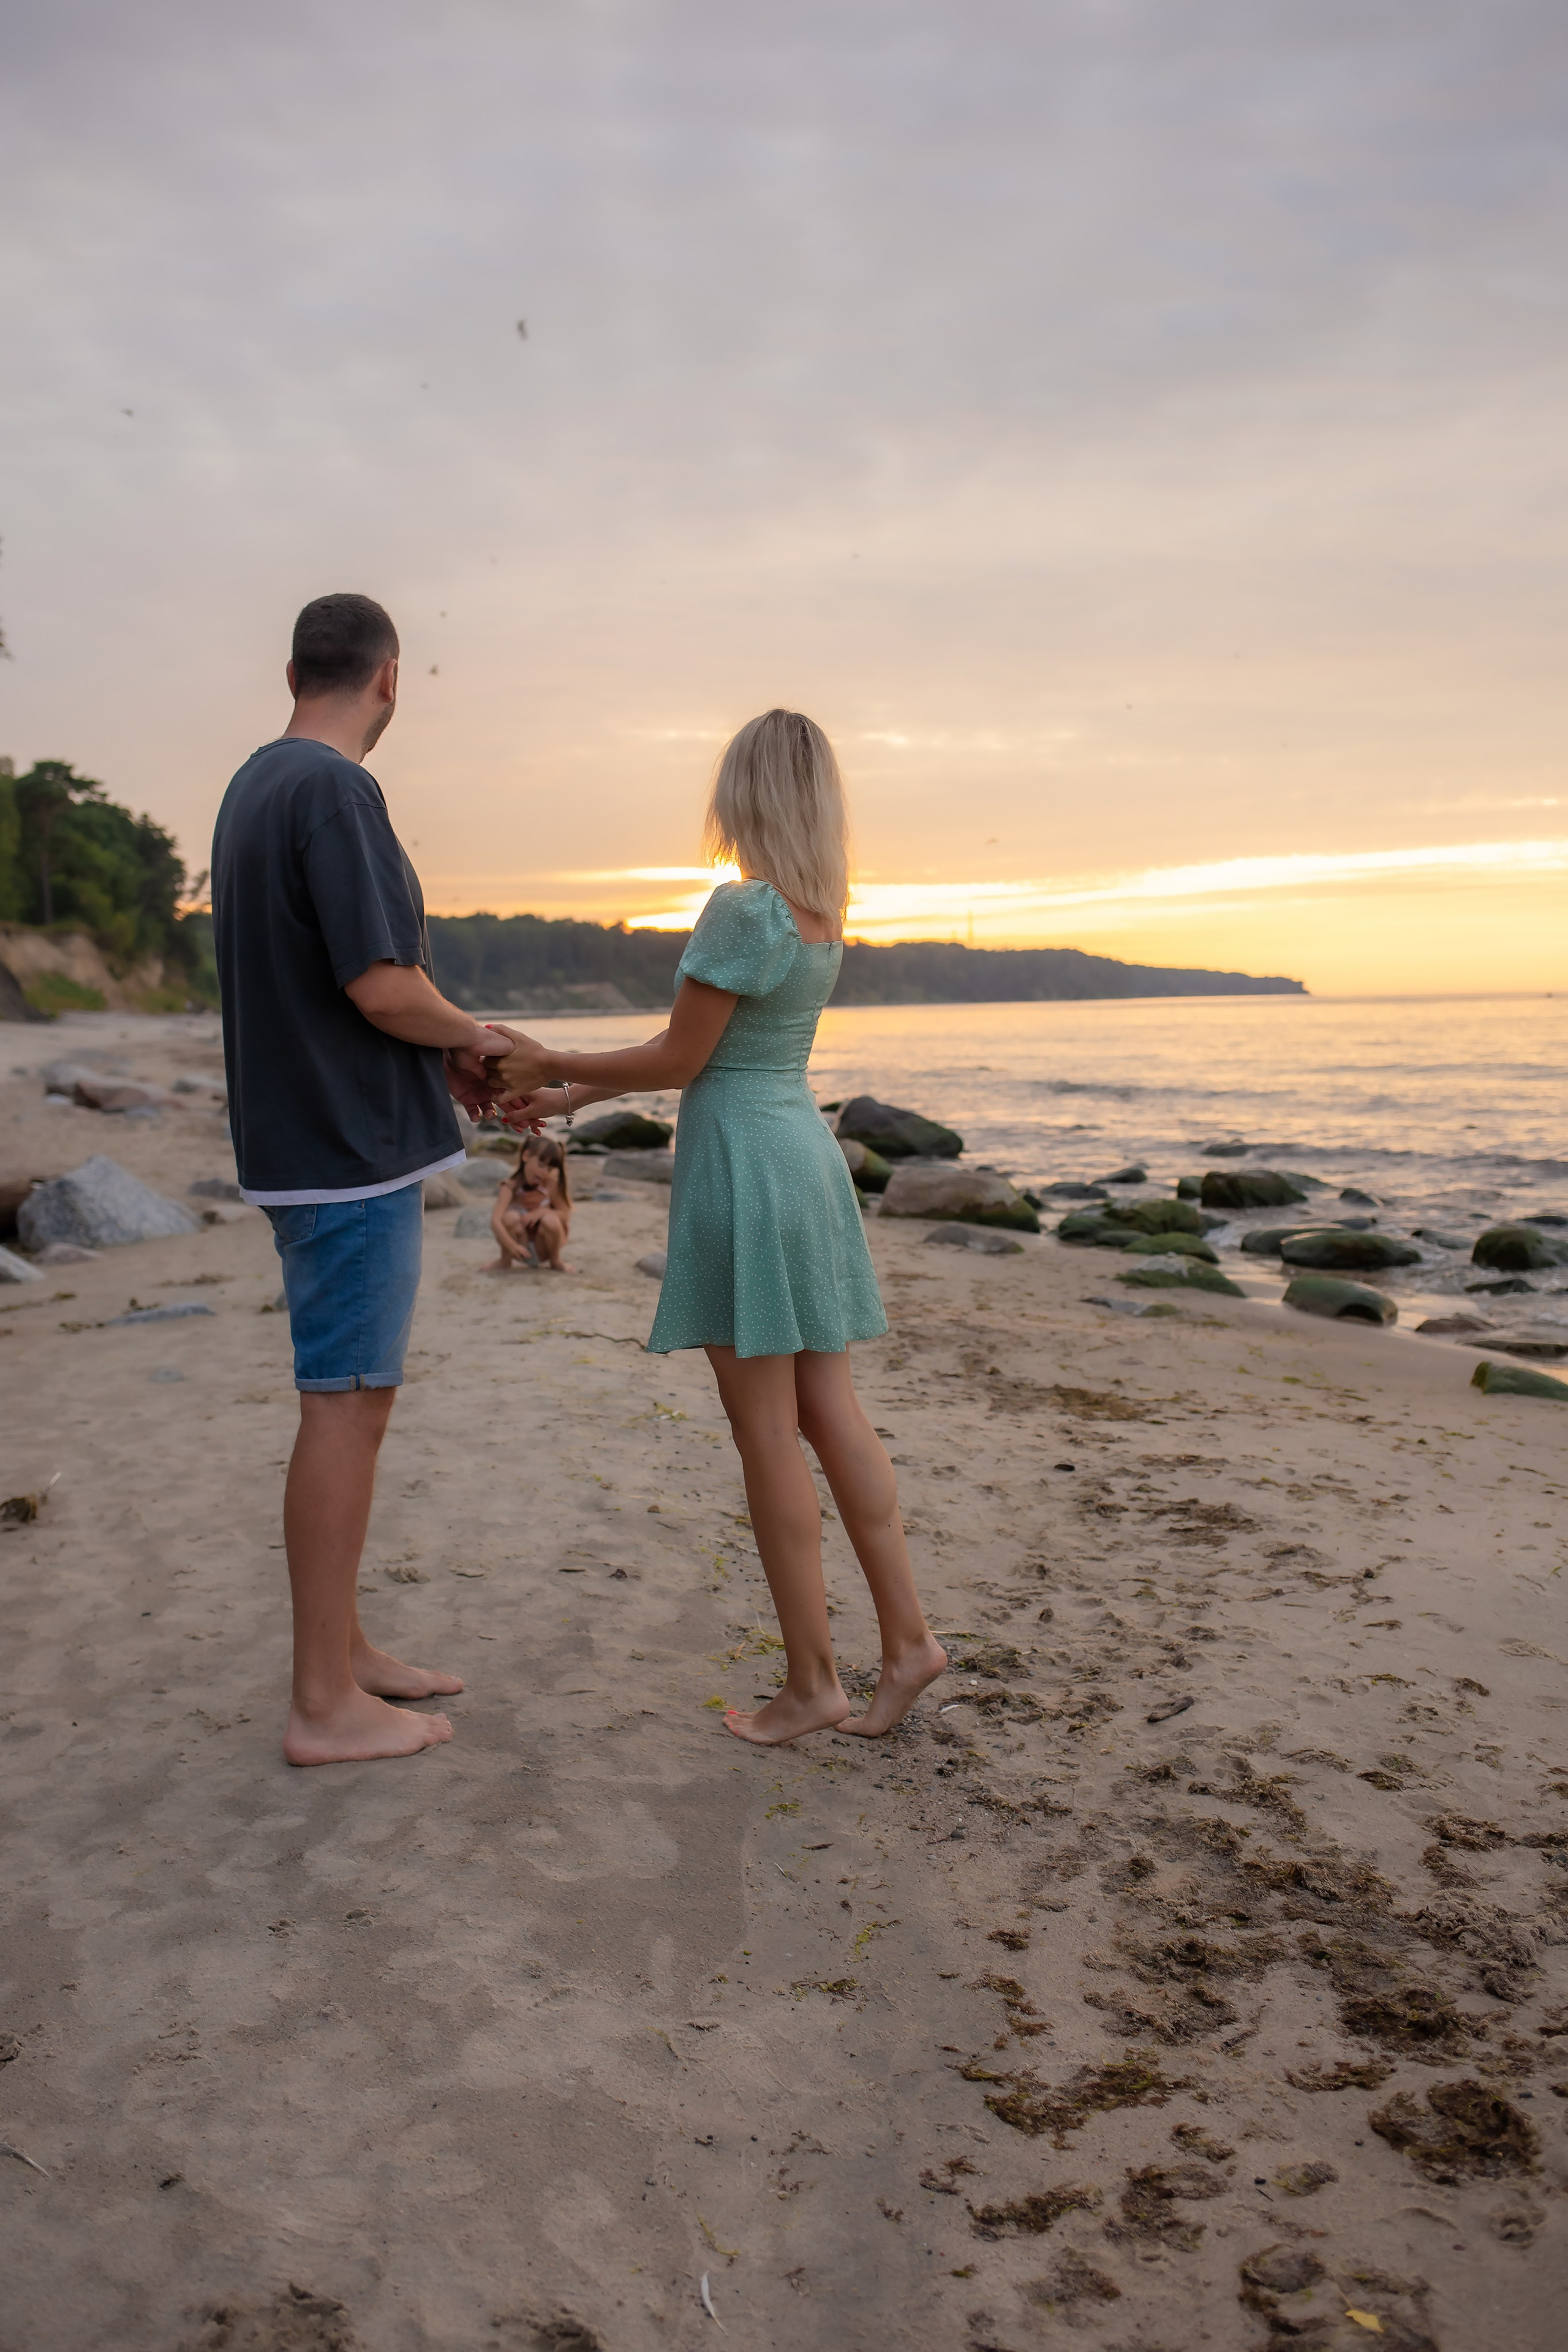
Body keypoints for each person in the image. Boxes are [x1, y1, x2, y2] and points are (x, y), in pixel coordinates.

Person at [489, 709, 946, 1744]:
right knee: (830, 1409)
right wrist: (566, 1097)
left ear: (742, 792)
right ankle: (908, 1643)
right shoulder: (820, 914)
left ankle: (815, 1682)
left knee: (767, 1434)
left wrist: (554, 1069)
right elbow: (700, 1053)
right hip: (802, 1153)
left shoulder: (745, 910)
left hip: (744, 1162)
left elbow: (677, 1060)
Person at [211, 592, 513, 1766]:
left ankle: (344, 1654)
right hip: (339, 1151)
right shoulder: (334, 790)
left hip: (306, 1142)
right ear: (391, 678)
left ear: (296, 669)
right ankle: (322, 1704)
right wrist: (475, 1038)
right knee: (342, 1403)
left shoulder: (256, 783)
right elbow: (379, 983)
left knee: (357, 1400)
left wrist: (442, 1052)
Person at [487, 1134, 575, 1273]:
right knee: (511, 1217)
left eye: (550, 1169)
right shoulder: (510, 1187)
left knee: (550, 1219)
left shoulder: (550, 1186)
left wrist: (544, 1211)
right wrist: (512, 1246)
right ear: (526, 1156)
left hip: (544, 1247)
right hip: (520, 1246)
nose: (544, 1172)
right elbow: (495, 1221)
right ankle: (505, 1260)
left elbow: (565, 1215)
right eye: (541, 1165)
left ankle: (556, 1261)